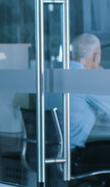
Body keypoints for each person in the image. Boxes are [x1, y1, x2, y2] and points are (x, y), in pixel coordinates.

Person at [47, 33, 110, 175]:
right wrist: (101, 79)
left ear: (72, 53)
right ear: (96, 56)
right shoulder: (86, 79)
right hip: (73, 156)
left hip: (49, 152)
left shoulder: (56, 75)